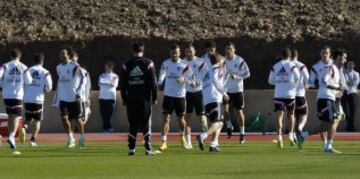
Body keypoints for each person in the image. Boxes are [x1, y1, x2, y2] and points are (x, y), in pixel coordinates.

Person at [297, 49, 347, 154]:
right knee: (333, 121)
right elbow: (323, 81)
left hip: (330, 98)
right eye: (343, 58)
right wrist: (336, 88)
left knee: (324, 125)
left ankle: (302, 136)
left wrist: (339, 89)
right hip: (326, 98)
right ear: (337, 58)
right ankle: (328, 147)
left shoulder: (337, 69)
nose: (344, 60)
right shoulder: (331, 67)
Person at [120, 42, 158, 155]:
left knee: (133, 123)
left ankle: (131, 148)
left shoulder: (126, 64)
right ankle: (148, 147)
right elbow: (154, 83)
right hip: (145, 99)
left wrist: (124, 98)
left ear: (132, 51)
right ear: (143, 50)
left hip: (131, 98)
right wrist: (154, 97)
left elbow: (122, 84)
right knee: (145, 122)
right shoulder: (148, 63)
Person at [157, 44, 192, 151]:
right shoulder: (165, 63)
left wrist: (184, 80)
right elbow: (162, 73)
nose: (174, 55)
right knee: (166, 118)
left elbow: (191, 79)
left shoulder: (184, 65)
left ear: (179, 53)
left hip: (180, 96)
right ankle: (163, 142)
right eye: (172, 53)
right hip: (168, 95)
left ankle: (182, 137)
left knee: (181, 119)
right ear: (170, 53)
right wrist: (160, 81)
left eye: (176, 53)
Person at [0, 48, 32, 154]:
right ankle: (12, 136)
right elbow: (29, 81)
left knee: (10, 116)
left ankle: (11, 138)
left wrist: (3, 84)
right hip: (17, 95)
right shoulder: (23, 67)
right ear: (20, 56)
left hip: (6, 94)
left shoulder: (5, 66)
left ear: (10, 56)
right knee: (16, 116)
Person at [53, 47, 86, 148]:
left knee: (78, 120)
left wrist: (79, 92)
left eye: (63, 53)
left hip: (74, 98)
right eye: (60, 53)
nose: (61, 55)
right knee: (64, 118)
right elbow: (60, 82)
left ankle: (81, 137)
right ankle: (70, 138)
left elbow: (83, 79)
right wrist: (56, 98)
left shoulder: (75, 66)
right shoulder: (58, 67)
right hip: (63, 98)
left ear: (68, 55)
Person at [196, 53, 229, 152]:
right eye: (223, 60)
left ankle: (213, 144)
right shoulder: (216, 69)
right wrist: (224, 93)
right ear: (219, 61)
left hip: (207, 99)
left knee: (219, 123)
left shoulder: (209, 70)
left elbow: (220, 82)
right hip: (214, 98)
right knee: (218, 123)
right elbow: (215, 80)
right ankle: (203, 135)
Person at [268, 48, 300, 148]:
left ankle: (279, 138)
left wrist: (279, 82)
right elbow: (298, 77)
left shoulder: (276, 66)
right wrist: (293, 85)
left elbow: (270, 81)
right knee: (291, 115)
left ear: (281, 55)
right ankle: (290, 135)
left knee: (279, 116)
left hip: (279, 94)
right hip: (290, 94)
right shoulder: (292, 65)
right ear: (290, 56)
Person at [21, 53, 53, 147]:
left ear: (34, 60)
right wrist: (45, 89)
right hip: (38, 99)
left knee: (27, 118)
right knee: (37, 120)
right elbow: (49, 87)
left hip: (27, 98)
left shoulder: (28, 70)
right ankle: (33, 140)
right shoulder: (45, 72)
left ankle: (23, 128)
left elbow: (23, 83)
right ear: (42, 61)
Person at [223, 42, 250, 143]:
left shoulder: (239, 60)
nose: (228, 51)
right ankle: (229, 126)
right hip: (226, 90)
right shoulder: (223, 60)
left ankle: (242, 134)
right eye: (226, 49)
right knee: (225, 110)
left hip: (237, 90)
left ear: (234, 49)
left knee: (239, 112)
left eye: (230, 49)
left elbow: (247, 73)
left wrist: (237, 76)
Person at [183, 43, 208, 149]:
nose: (189, 53)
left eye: (191, 51)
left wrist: (197, 82)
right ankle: (188, 141)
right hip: (187, 93)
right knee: (187, 117)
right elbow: (180, 75)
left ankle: (204, 136)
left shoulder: (200, 62)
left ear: (195, 51)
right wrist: (188, 81)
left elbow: (206, 74)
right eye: (187, 51)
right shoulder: (182, 62)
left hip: (198, 92)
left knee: (202, 118)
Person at [308, 46, 333, 148]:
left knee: (332, 122)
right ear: (320, 54)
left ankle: (328, 144)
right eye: (323, 52)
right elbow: (310, 82)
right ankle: (325, 145)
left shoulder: (334, 64)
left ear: (330, 53)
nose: (325, 54)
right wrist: (316, 83)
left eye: (326, 52)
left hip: (334, 96)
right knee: (323, 122)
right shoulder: (316, 66)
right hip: (322, 96)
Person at [290, 49, 309, 142]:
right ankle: (300, 127)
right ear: (297, 56)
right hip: (300, 95)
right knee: (304, 114)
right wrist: (306, 85)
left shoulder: (287, 65)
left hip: (290, 95)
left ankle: (293, 134)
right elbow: (308, 80)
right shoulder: (301, 65)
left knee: (292, 115)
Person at [99, 61, 119, 133]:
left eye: (107, 66)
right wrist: (108, 83)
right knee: (103, 113)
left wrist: (105, 83)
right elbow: (100, 83)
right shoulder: (102, 75)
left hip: (111, 97)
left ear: (111, 67)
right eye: (106, 66)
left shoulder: (115, 76)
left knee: (110, 114)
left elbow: (113, 85)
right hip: (102, 97)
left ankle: (109, 127)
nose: (106, 68)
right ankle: (105, 128)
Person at [341, 60, 359, 131]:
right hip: (344, 93)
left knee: (352, 110)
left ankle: (350, 126)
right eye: (348, 64)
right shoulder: (343, 72)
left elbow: (355, 84)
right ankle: (349, 125)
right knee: (344, 110)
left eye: (351, 64)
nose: (349, 65)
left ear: (354, 66)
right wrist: (347, 83)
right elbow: (342, 82)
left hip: (353, 93)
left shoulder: (356, 74)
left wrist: (347, 82)